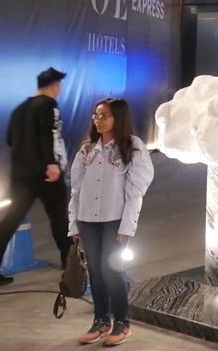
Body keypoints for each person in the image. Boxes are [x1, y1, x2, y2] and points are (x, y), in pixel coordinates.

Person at [69, 98, 154, 347]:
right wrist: (74, 223)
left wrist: (127, 226)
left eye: (104, 115)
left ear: (118, 118)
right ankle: (101, 320)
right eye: (96, 115)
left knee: (112, 271)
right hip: (87, 220)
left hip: (114, 221)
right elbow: (76, 190)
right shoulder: (87, 150)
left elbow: (135, 191)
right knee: (96, 272)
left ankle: (122, 322)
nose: (98, 119)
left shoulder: (132, 147)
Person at [0, 67, 72, 288]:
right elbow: (49, 135)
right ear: (54, 86)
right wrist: (51, 164)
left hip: (20, 174)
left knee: (10, 220)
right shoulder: (48, 105)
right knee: (59, 217)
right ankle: (70, 261)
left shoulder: (19, 109)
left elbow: (9, 139)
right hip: (46, 173)